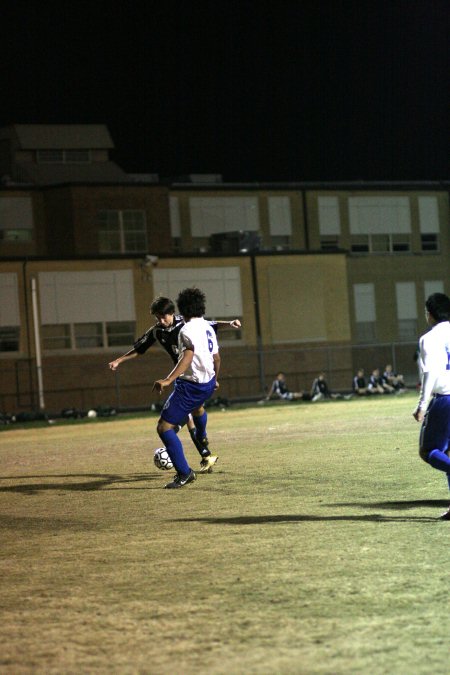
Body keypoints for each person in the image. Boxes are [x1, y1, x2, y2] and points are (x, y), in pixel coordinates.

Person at [109, 295, 241, 472]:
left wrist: (230, 323)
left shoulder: (185, 324)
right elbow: (139, 349)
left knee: (179, 418)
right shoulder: (157, 331)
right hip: (184, 375)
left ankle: (199, 454)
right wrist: (119, 360)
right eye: (157, 317)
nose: (161, 321)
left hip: (194, 374)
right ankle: (205, 452)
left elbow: (211, 325)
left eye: (164, 316)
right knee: (194, 411)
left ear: (172, 313)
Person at [152, 287, 220, 489]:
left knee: (164, 427)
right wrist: (215, 379)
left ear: (182, 309)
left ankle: (184, 472)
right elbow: (216, 358)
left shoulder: (186, 330)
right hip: (207, 384)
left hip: (191, 386)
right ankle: (200, 435)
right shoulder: (208, 327)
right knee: (196, 409)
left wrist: (168, 379)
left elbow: (187, 356)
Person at [413, 292, 450, 520]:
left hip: (445, 399)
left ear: (430, 314)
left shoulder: (429, 338)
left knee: (429, 451)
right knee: (447, 452)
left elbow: (431, 372)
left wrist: (422, 405)